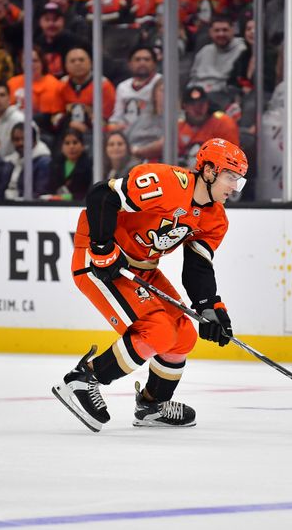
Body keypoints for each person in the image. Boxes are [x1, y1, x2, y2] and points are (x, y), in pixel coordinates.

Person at [52, 138, 249, 431]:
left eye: (238, 179)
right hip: (98, 260)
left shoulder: (215, 219)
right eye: (230, 177)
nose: (235, 186)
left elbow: (197, 267)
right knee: (157, 330)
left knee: (183, 336)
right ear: (208, 170)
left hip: (142, 268)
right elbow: (100, 196)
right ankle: (82, 380)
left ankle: (152, 406)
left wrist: (211, 307)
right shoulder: (166, 182)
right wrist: (104, 248)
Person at [49, 127, 92, 200]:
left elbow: (86, 193)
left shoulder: (90, 165)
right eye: (67, 143)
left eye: (75, 142)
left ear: (83, 146)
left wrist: (62, 197)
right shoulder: (54, 164)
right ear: (61, 147)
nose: (71, 146)